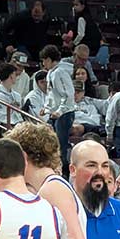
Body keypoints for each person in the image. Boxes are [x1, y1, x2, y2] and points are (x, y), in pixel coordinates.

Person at [39, 45, 76, 174]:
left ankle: (64, 171)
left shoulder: (61, 72)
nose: (43, 63)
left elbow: (68, 94)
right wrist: (46, 108)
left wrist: (59, 111)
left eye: (44, 60)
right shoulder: (51, 73)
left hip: (64, 113)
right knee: (52, 141)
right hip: (55, 113)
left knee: (61, 144)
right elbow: (51, 94)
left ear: (49, 59)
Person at [64, 0, 107, 66]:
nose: (74, 7)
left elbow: (81, 34)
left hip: (88, 46)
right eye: (74, 5)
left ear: (83, 6)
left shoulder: (81, 18)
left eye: (76, 5)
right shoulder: (88, 17)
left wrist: (74, 43)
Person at [0, 64, 24, 128]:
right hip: (0, 127)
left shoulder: (17, 95)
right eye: (15, 74)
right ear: (11, 76)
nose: (16, 77)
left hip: (17, 126)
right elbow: (2, 118)